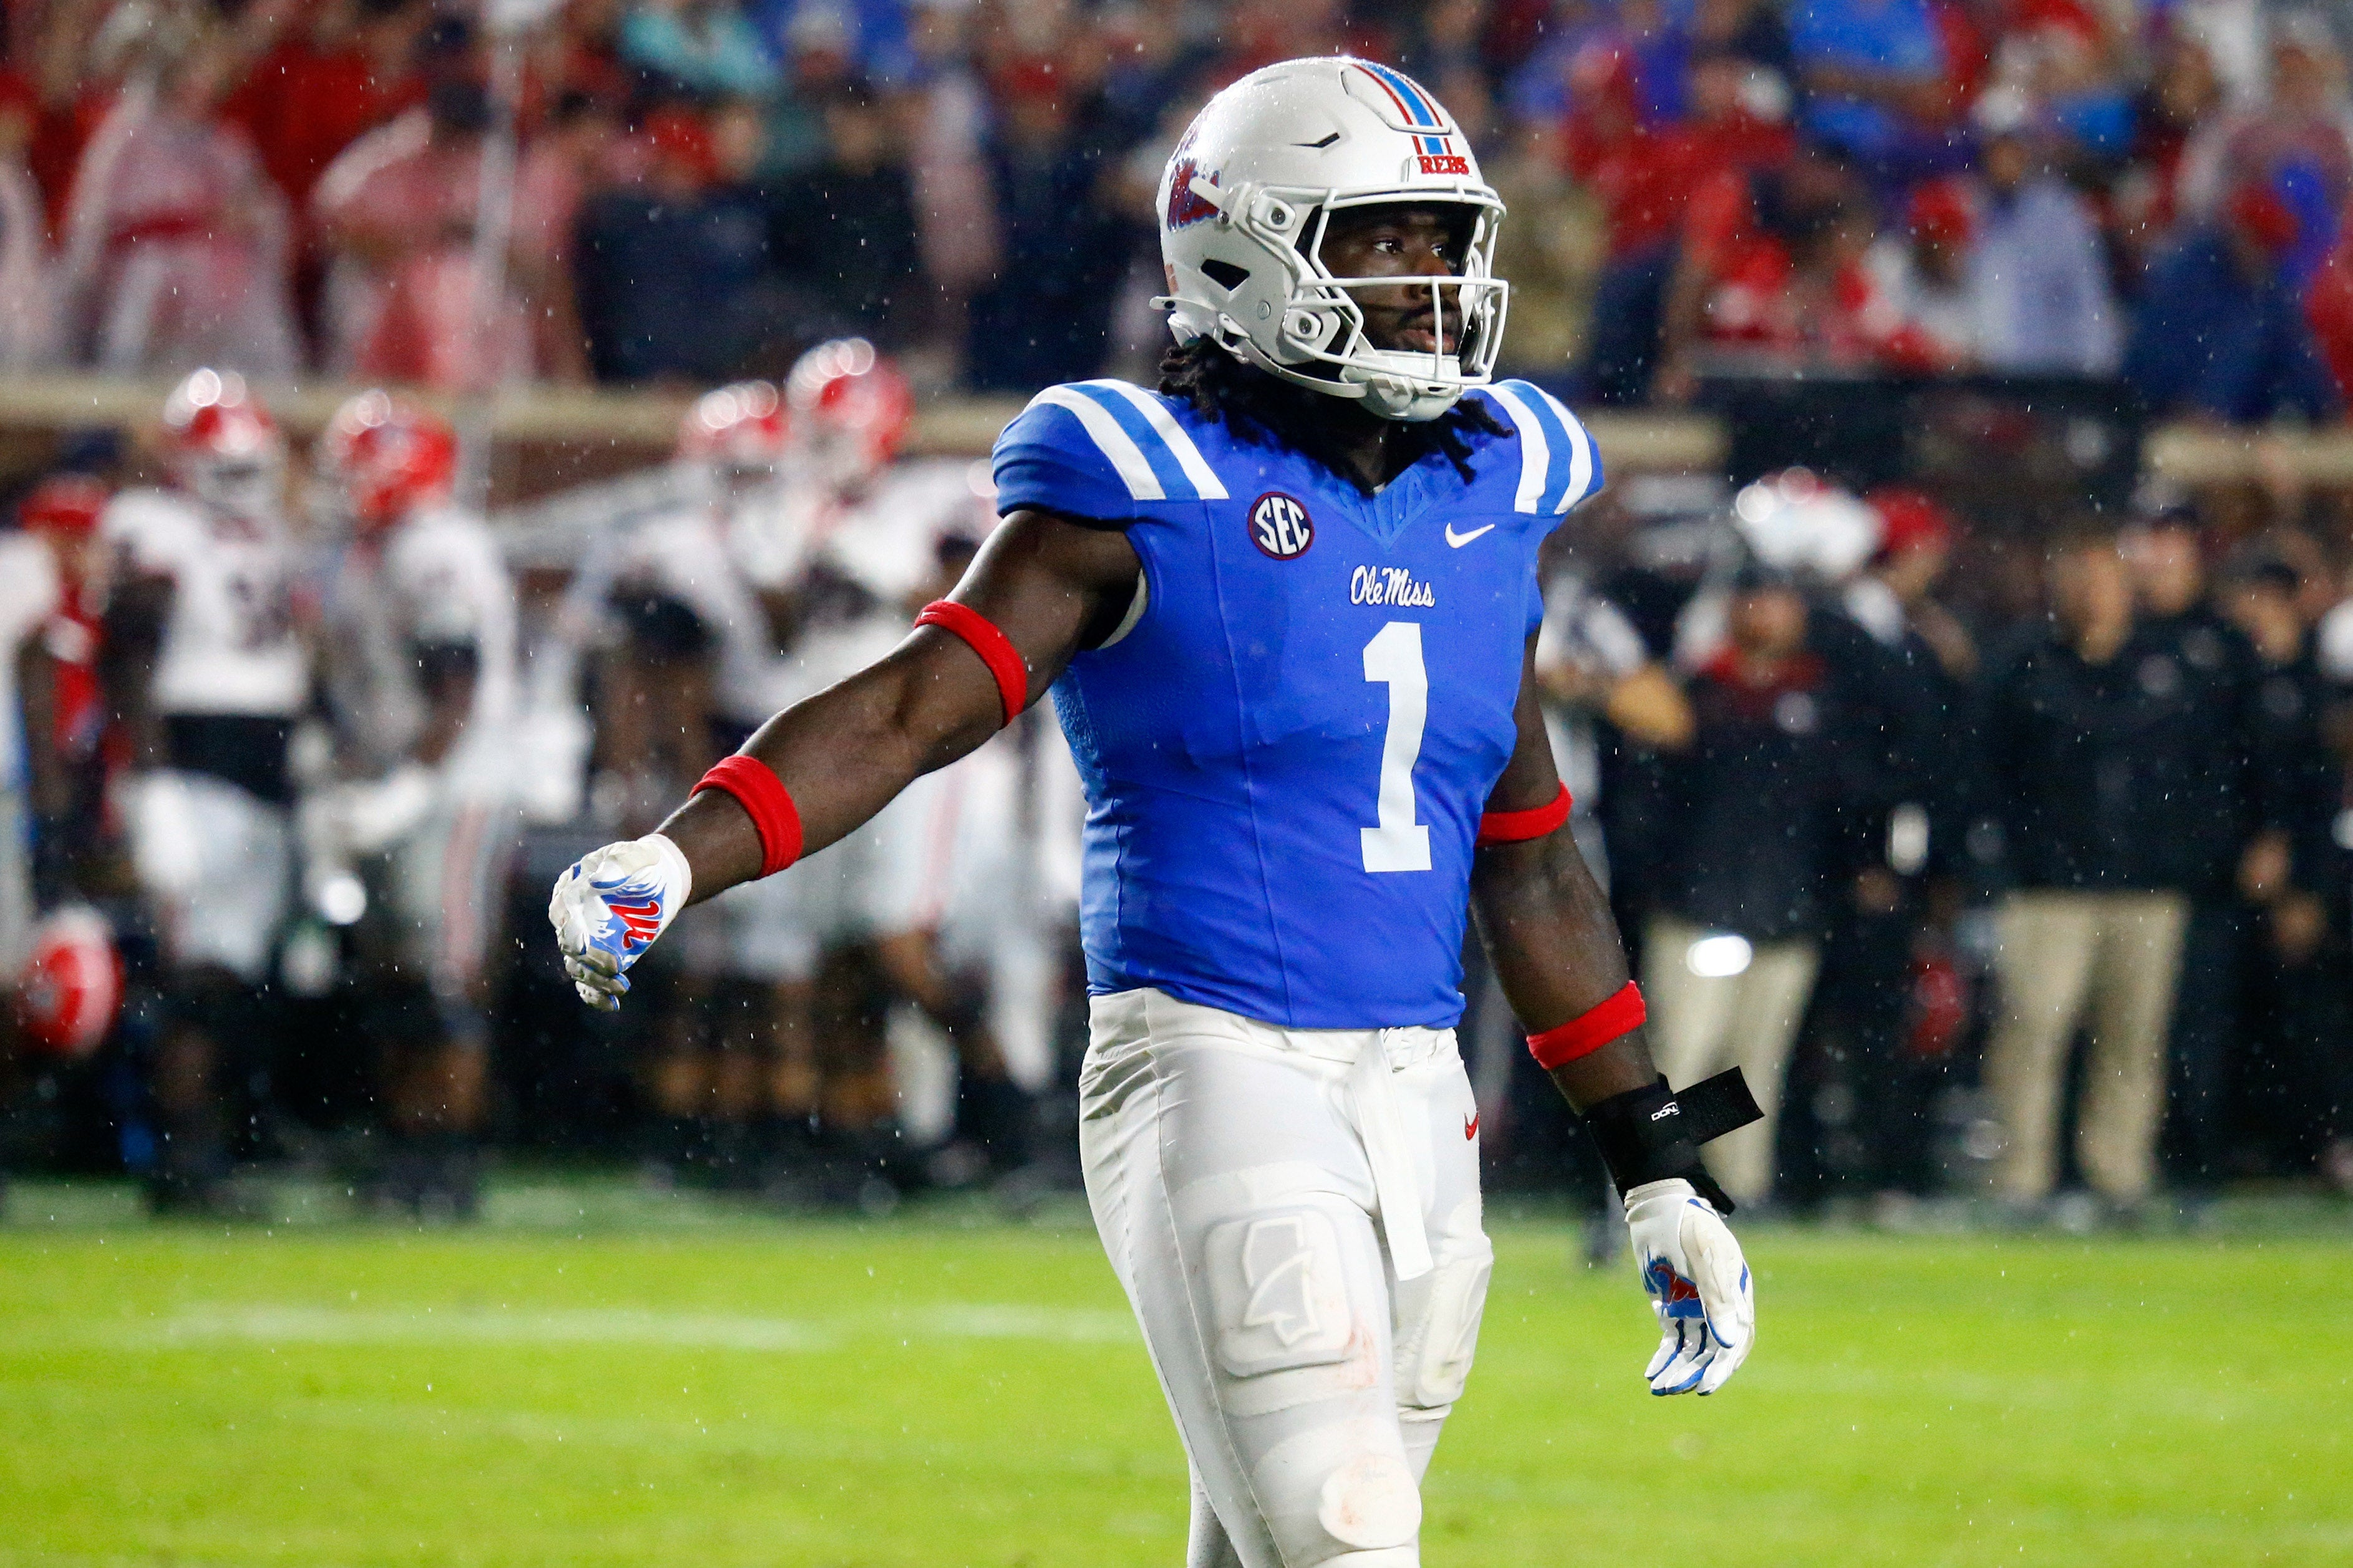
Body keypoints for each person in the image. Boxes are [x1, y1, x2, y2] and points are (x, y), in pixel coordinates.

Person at [548, 57, 1760, 1568]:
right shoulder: (1139, 483)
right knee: (1347, 1531)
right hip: (1217, 1059)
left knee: (1268, 1546)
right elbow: (913, 708)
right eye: (1384, 239)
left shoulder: (1492, 487)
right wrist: (680, 850)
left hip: (1417, 1090)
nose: (1435, 282)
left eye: (1446, 240)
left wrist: (1661, 1157)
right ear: (1247, 249)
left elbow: (1532, 863)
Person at [102, 371, 310, 1211]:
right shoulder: (157, 528)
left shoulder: (266, 536)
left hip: (266, 770)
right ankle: (178, 1159)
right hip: (192, 764)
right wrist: (146, 785)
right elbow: (133, 654)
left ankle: (217, 1144)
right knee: (197, 978)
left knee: (238, 978)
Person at [309, 392, 518, 1216]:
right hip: (404, 777)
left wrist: (408, 788)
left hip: (457, 783)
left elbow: (455, 687)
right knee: (395, 975)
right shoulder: (372, 549)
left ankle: (447, 1161)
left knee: (445, 977)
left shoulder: (436, 546)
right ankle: (407, 1148)